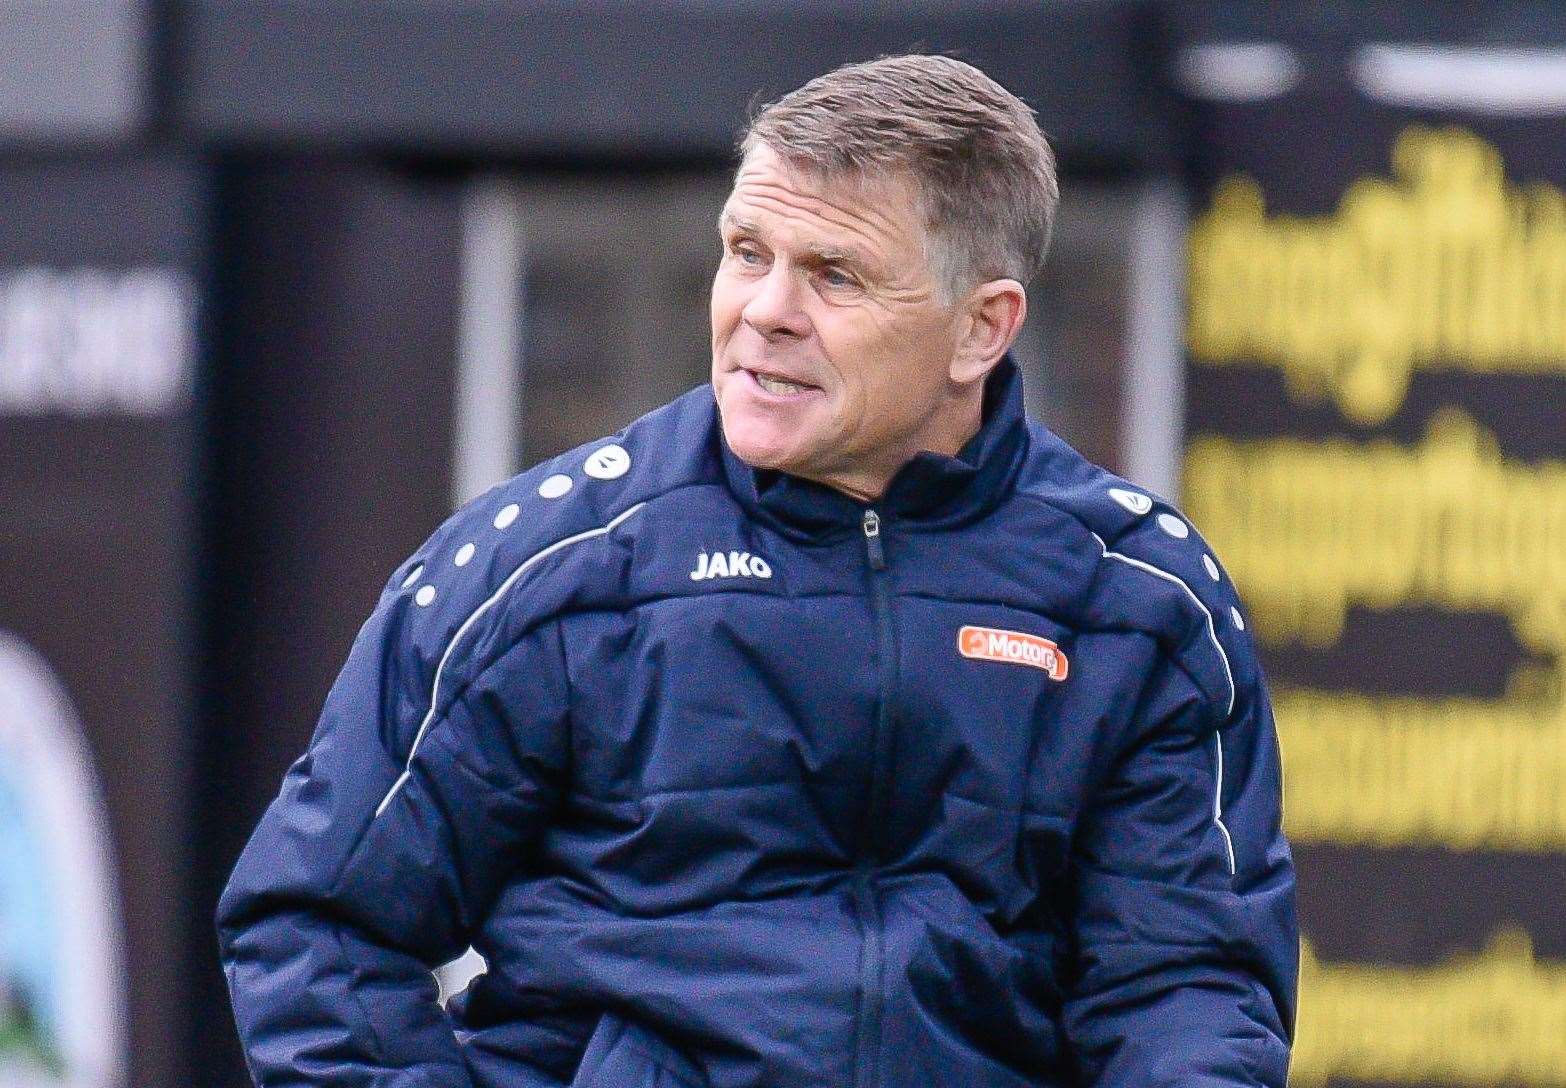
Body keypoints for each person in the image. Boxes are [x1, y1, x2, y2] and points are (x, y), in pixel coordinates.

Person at [217, 54, 1297, 1088]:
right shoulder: (551, 565)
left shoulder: (1138, 600)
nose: (765, 310)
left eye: (834, 273)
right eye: (746, 251)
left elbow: (1186, 984)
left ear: (981, 329)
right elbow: (317, 918)